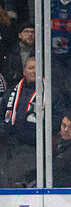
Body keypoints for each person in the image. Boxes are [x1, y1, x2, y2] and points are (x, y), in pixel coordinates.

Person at [0, 56, 37, 187]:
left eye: (37, 68)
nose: (34, 71)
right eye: (31, 68)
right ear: (24, 71)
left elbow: (56, 119)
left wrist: (33, 133)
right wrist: (6, 130)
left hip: (35, 148)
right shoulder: (11, 93)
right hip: (10, 147)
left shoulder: (51, 93)